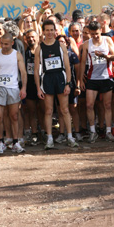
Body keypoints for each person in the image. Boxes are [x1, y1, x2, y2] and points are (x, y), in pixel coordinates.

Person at [34, 19, 78, 149]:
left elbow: (68, 67)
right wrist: (38, 88)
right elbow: (36, 70)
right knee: (48, 110)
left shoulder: (61, 46)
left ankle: (69, 136)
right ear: (43, 32)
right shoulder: (39, 48)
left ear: (55, 31)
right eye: (47, 30)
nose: (49, 32)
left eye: (51, 30)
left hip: (60, 78)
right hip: (47, 79)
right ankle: (49, 139)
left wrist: (68, 83)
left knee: (64, 109)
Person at [78, 20, 114, 143]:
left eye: (97, 33)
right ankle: (93, 131)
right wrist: (80, 80)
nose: (95, 36)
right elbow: (83, 62)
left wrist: (104, 56)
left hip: (106, 77)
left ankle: (108, 131)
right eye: (93, 34)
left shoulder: (107, 40)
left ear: (101, 31)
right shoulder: (86, 44)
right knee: (89, 105)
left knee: (107, 105)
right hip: (92, 78)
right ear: (89, 33)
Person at [0, 32, 27, 154]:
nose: (4, 46)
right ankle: (1, 141)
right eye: (2, 44)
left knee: (14, 116)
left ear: (12, 43)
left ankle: (15, 142)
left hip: (13, 88)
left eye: (6, 44)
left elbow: (23, 72)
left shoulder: (17, 55)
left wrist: (24, 88)